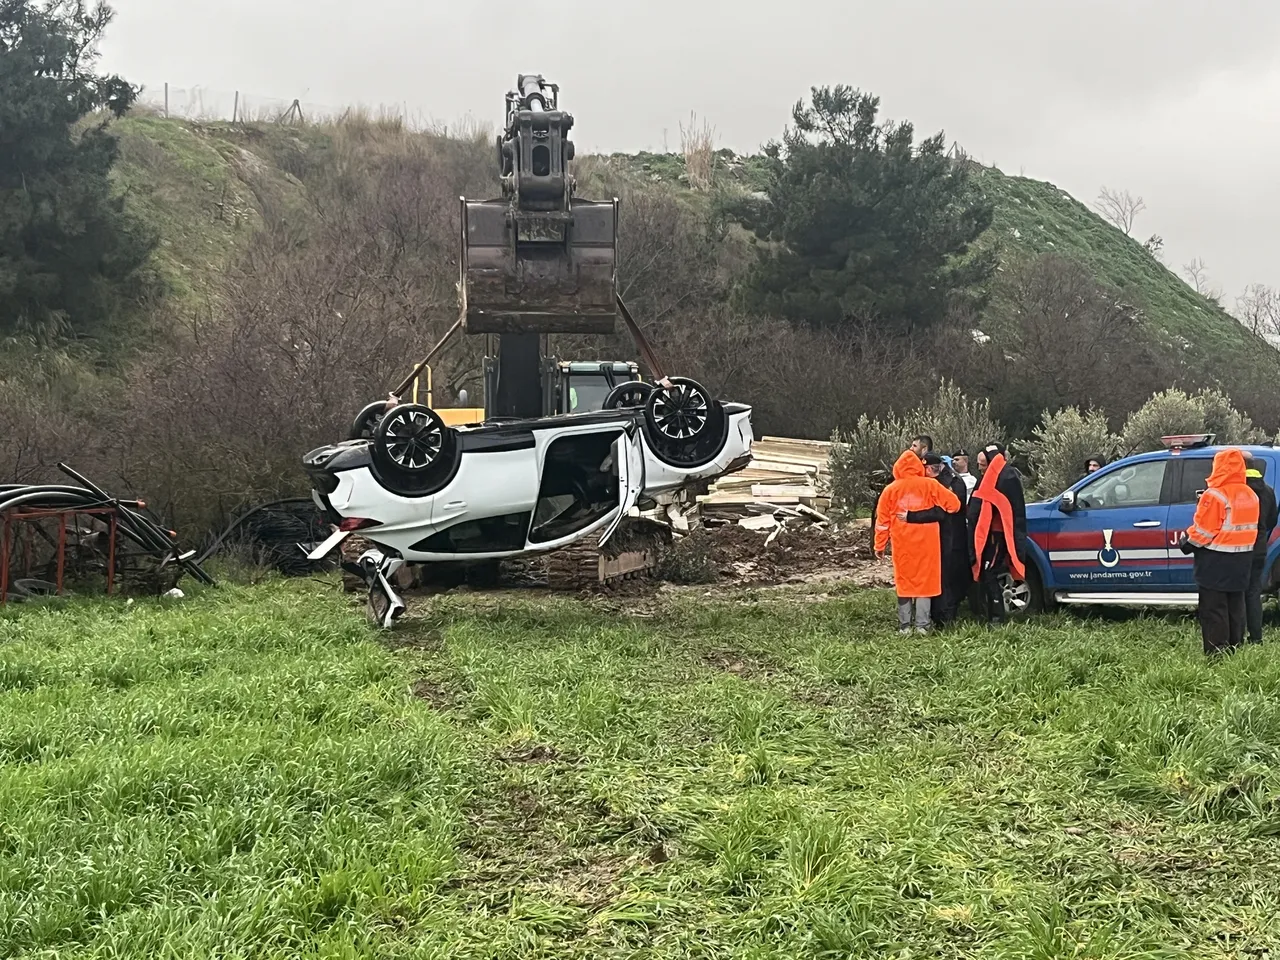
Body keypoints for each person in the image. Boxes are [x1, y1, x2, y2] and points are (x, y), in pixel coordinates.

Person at [1178, 448, 1259, 656]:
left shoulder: (1214, 495)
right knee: (1236, 607)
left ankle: (1216, 653)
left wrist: (1186, 542)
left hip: (1215, 561)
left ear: (1219, 466)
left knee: (1214, 610)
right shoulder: (1250, 494)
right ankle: (1235, 649)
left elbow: (1203, 531)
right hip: (1242, 560)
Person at [875, 450, 962, 634]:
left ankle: (905, 627)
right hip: (927, 545)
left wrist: (879, 545)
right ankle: (922, 625)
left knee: (904, 583)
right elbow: (954, 505)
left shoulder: (890, 490)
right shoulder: (930, 485)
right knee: (925, 584)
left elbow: (882, 522)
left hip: (902, 545)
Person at [904, 452, 971, 628]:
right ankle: (936, 615)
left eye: (925, 469)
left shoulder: (951, 483)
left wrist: (911, 516)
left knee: (947, 577)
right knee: (938, 576)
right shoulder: (941, 480)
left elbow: (940, 511)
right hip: (939, 537)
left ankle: (945, 618)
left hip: (951, 538)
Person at [968, 443, 1029, 624]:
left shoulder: (1006, 477)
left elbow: (1012, 509)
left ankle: (996, 617)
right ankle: (989, 614)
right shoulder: (988, 478)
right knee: (986, 574)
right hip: (989, 535)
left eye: (982, 464)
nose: (979, 467)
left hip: (997, 535)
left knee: (989, 573)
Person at [1243, 453, 1277, 644]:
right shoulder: (1268, 490)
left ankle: (1236, 637)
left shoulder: (1238, 490)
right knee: (1254, 592)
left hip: (1238, 548)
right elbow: (1272, 519)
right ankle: (1256, 638)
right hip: (1259, 547)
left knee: (1237, 592)